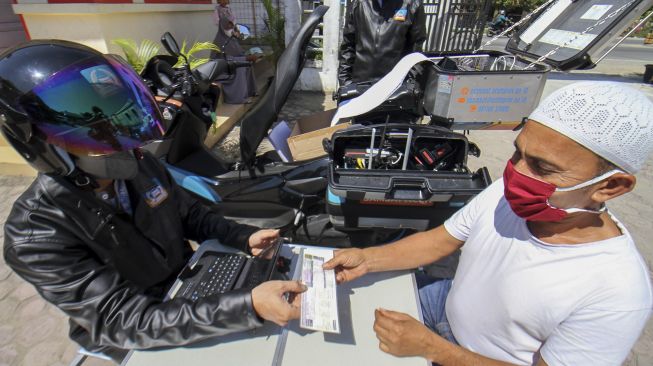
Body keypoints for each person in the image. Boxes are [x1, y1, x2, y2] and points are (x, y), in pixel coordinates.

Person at [0, 40, 306, 361]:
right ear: (42, 146)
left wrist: (243, 237)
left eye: (117, 131)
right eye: (98, 137)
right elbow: (122, 321)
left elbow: (190, 215)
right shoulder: (36, 235)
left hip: (189, 287)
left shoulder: (141, 165)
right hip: (136, 331)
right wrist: (247, 306)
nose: (121, 144)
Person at [323, 81, 653, 365]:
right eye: (517, 154)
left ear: (611, 186)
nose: (515, 174)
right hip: (442, 303)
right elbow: (441, 240)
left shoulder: (618, 293)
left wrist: (433, 349)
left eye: (542, 168)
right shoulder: (503, 193)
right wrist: (368, 259)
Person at [337, 0, 427, 88]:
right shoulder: (359, 3)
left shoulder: (412, 4)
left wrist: (409, 86)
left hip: (393, 87)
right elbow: (348, 45)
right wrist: (345, 83)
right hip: (360, 85)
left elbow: (415, 51)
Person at [211, 0, 259, 104]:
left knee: (247, 64)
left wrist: (248, 56)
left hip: (230, 65)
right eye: (228, 26)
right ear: (222, 26)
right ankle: (239, 99)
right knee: (240, 67)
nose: (230, 28)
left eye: (231, 25)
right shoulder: (219, 42)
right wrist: (245, 58)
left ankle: (251, 92)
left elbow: (239, 53)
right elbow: (224, 61)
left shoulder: (231, 39)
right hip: (222, 71)